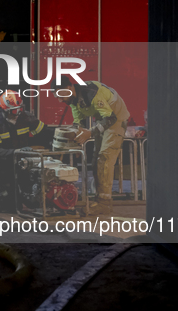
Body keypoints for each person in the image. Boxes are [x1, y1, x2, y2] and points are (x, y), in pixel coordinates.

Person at [53, 76, 130, 215]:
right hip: (103, 118)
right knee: (96, 161)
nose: (60, 100)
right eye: (56, 96)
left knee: (105, 159)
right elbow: (78, 124)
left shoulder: (92, 94)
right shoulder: (72, 100)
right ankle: (99, 198)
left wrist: (90, 132)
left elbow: (111, 118)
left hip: (116, 119)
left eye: (61, 95)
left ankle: (104, 203)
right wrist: (74, 144)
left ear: (69, 88)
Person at [0, 90, 53, 213]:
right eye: (14, 111)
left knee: (33, 200)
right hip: (5, 165)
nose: (17, 113)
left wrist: (56, 142)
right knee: (9, 205)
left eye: (20, 109)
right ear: (5, 110)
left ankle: (27, 199)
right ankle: (3, 197)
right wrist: (16, 152)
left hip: (25, 163)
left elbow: (45, 132)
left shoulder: (26, 117)